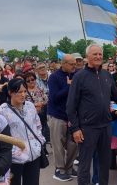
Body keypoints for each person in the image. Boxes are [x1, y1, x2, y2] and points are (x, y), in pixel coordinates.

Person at [66, 44, 117, 185]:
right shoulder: (80, 77)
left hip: (106, 126)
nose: (99, 57)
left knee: (104, 164)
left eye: (100, 54)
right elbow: (70, 106)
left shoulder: (107, 75)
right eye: (95, 54)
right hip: (87, 128)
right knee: (85, 165)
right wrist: (75, 128)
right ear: (88, 57)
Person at [0, 78, 45, 185]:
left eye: (25, 91)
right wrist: (13, 151)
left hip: (34, 154)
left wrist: (39, 142)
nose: (23, 95)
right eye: (19, 92)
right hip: (14, 158)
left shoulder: (30, 106)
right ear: (10, 92)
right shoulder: (3, 111)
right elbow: (1, 136)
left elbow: (38, 125)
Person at [47, 54, 77, 182]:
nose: (74, 66)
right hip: (57, 115)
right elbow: (54, 97)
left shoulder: (75, 75)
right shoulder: (54, 77)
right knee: (58, 144)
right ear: (63, 63)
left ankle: (69, 167)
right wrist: (69, 86)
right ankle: (60, 169)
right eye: (71, 64)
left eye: (75, 64)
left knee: (73, 144)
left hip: (71, 115)